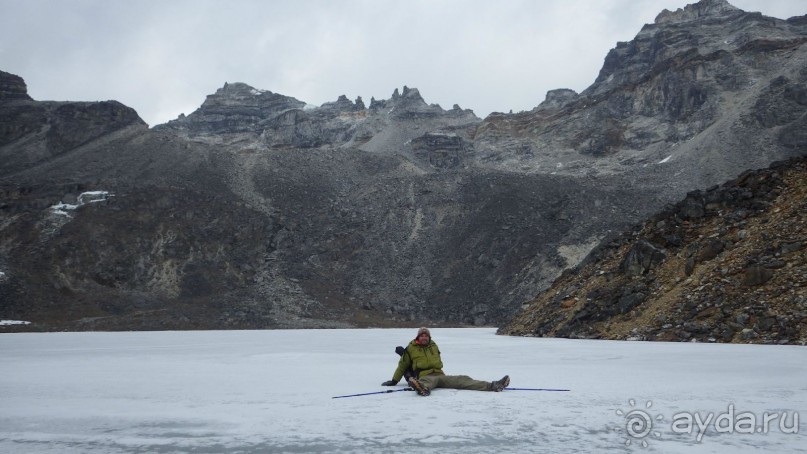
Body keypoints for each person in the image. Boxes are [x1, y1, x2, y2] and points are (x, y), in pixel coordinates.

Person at [381, 327, 510, 396]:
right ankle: (421, 388)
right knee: (428, 381)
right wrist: (394, 381)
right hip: (425, 376)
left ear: (429, 337)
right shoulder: (410, 349)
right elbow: (402, 365)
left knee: (463, 379)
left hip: (440, 374)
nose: (424, 337)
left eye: (426, 335)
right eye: (422, 335)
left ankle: (494, 386)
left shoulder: (433, 346)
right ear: (418, 337)